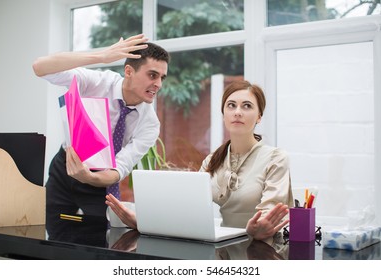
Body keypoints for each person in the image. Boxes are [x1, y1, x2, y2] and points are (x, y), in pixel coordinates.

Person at [106, 80, 293, 241]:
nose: (237, 112)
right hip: (225, 249)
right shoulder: (213, 160)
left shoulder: (275, 158)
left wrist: (258, 228)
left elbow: (270, 216)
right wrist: (144, 222)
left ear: (259, 116)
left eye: (247, 106)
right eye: (231, 105)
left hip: (264, 251)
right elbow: (188, 210)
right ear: (223, 114)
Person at [33, 34, 170, 217]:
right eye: (152, 75)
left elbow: (119, 168)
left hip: (99, 181)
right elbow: (40, 67)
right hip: (64, 171)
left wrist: (89, 177)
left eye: (162, 77)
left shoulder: (150, 124)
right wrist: (101, 56)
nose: (158, 84)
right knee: (51, 231)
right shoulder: (97, 82)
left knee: (98, 239)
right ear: (128, 71)